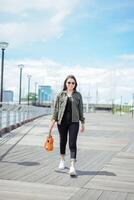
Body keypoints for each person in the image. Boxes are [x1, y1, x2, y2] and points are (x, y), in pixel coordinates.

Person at [49, 75, 85, 176]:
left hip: (74, 123)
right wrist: (52, 123)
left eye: (73, 83)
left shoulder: (78, 95)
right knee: (63, 141)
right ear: (65, 83)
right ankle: (62, 160)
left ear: (75, 84)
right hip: (62, 122)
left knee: (72, 143)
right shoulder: (60, 94)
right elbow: (56, 110)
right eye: (69, 82)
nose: (71, 84)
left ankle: (72, 166)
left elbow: (81, 110)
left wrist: (82, 123)